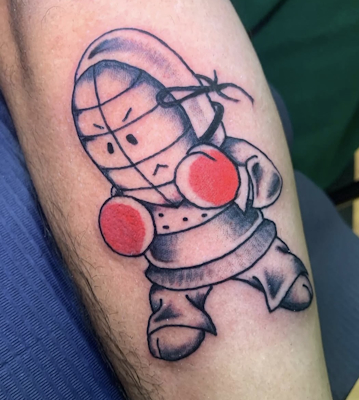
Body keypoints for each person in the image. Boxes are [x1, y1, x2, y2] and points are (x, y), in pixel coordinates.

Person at [0, 1, 332, 399]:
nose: (128, 151)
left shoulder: (217, 156)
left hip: (243, 239)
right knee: (173, 296)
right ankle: (179, 314)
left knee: (265, 259)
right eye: (110, 144)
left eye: (133, 129)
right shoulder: (130, 194)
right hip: (172, 268)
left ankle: (277, 275)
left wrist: (238, 180)